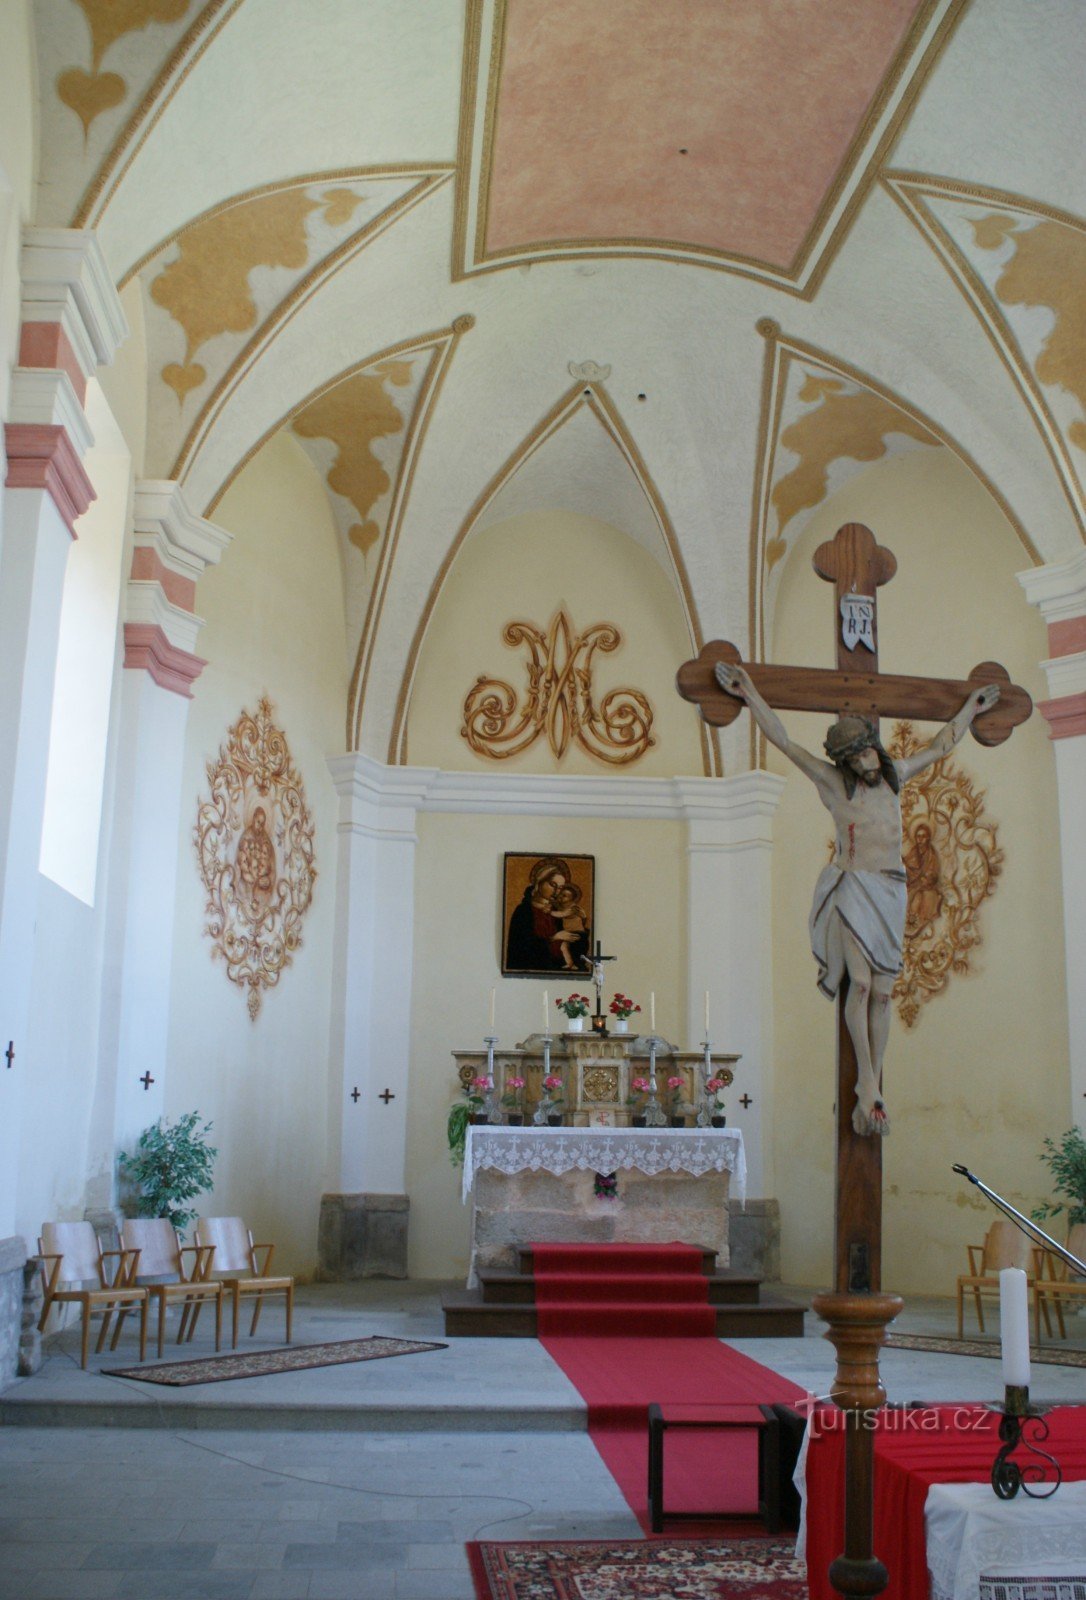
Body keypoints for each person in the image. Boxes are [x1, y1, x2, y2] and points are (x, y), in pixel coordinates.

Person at [713, 662, 1000, 1136]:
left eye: (869, 750)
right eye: (858, 756)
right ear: (845, 762)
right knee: (861, 986)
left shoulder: (894, 777)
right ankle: (867, 1085)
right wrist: (749, 693)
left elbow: (941, 745)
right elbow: (784, 741)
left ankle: (875, 1077)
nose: (867, 760)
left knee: (885, 991)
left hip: (892, 889)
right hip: (854, 885)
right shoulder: (831, 784)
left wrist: (972, 707)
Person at [904, 821, 943, 936]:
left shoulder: (932, 855)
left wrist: (923, 880)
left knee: (919, 898)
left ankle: (916, 925)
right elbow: (908, 868)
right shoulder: (913, 852)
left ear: (928, 838)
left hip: (926, 886)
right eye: (918, 836)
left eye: (923, 836)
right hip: (913, 884)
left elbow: (932, 875)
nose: (920, 839)